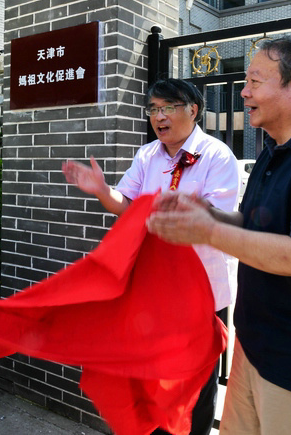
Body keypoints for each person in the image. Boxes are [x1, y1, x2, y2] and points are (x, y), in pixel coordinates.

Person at [146, 36, 291, 435]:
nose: (243, 90)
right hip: (255, 349)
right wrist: (210, 215)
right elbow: (257, 227)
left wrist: (208, 231)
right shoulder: (275, 150)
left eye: (255, 80)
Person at [62, 77, 240, 435]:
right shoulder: (147, 154)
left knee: (195, 389)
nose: (158, 117)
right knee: (151, 379)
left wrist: (164, 215)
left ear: (193, 110)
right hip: (152, 293)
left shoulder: (217, 156)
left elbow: (217, 216)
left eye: (167, 108)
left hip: (200, 294)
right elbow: (126, 206)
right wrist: (101, 190)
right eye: (153, 109)